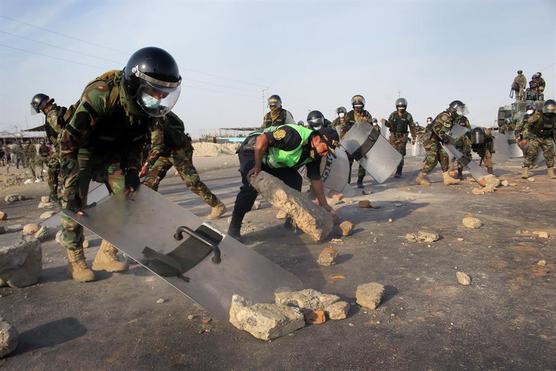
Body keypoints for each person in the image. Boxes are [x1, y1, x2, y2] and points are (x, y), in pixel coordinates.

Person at [58, 46, 182, 283]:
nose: (159, 98)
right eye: (154, 91)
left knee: (127, 199)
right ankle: (75, 260)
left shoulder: (149, 111)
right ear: (135, 84)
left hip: (112, 154)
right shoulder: (101, 95)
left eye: (163, 93)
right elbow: (68, 143)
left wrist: (134, 170)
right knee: (74, 205)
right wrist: (71, 186)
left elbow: (137, 144)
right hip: (82, 149)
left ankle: (106, 253)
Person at [227, 124, 338, 240]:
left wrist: (324, 204)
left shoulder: (315, 154)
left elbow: (315, 179)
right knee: (253, 183)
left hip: (271, 161)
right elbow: (262, 139)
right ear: (316, 139)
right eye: (326, 149)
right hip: (253, 151)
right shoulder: (293, 136)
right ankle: (234, 227)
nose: (326, 154)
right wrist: (257, 166)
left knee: (295, 180)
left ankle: (293, 221)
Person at [141, 111, 226, 219]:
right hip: (164, 153)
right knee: (150, 181)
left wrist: (147, 164)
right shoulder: (139, 120)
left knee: (192, 182)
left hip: (178, 151)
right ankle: (147, 212)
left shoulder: (153, 118)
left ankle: (217, 205)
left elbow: (158, 145)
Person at [30, 93, 77, 200]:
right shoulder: (56, 111)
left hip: (64, 148)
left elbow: (60, 131)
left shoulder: (52, 114)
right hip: (63, 147)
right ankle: (55, 194)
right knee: (53, 168)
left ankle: (68, 199)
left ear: (41, 106)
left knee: (66, 174)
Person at [416, 100, 467, 186]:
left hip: (435, 139)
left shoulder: (450, 117)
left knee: (444, 156)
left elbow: (447, 131)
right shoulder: (445, 116)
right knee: (433, 160)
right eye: (459, 110)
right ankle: (420, 178)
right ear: (454, 109)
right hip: (429, 138)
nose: (460, 112)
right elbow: (436, 128)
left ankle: (446, 178)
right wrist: (444, 137)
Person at [519, 99, 556, 179]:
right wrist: (535, 116)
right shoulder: (539, 115)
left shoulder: (554, 117)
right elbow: (529, 122)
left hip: (547, 137)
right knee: (531, 153)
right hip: (536, 137)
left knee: (550, 155)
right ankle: (525, 170)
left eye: (552, 108)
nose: (551, 109)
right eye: (549, 107)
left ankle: (551, 172)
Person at [383, 98, 416, 177]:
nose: (401, 108)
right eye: (400, 107)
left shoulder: (408, 116)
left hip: (402, 137)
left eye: (403, 107)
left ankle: (399, 171)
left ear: (405, 107)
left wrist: (413, 137)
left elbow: (412, 127)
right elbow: (389, 125)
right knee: (392, 154)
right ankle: (388, 170)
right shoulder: (393, 115)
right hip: (393, 137)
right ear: (397, 107)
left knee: (400, 155)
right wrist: (384, 122)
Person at [346, 95, 373, 188]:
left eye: (360, 106)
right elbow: (342, 126)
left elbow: (371, 126)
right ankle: (347, 183)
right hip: (351, 142)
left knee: (363, 162)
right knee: (348, 163)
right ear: (353, 106)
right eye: (356, 106)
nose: (358, 108)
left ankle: (360, 181)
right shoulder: (348, 115)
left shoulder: (366, 114)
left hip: (363, 141)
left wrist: (366, 122)